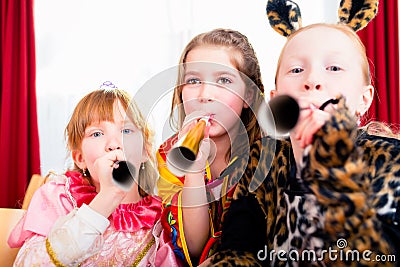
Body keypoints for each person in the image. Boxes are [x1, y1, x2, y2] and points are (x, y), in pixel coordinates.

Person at [206, 0, 400, 266]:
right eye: (296, 70)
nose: (312, 80)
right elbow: (237, 251)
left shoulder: (391, 162)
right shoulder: (263, 160)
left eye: (334, 68)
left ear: (364, 99)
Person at [8, 84, 179, 266]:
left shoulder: (162, 219)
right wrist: (106, 199)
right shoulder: (61, 197)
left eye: (126, 131)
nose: (114, 144)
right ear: (80, 158)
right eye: (97, 133)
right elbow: (27, 263)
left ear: (145, 151)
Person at [156, 28, 266, 266]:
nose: (205, 95)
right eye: (194, 81)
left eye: (224, 80)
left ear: (248, 94)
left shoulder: (271, 156)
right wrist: (193, 169)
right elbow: (194, 250)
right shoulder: (168, 156)